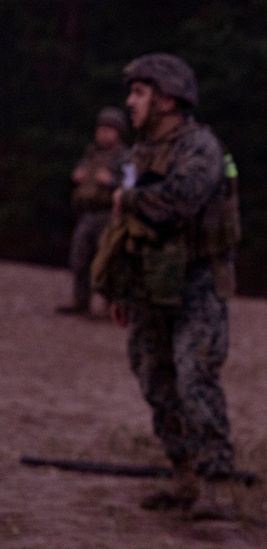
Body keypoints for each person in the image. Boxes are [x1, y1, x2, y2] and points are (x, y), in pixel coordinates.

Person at [106, 53, 242, 518]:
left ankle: (216, 487)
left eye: (139, 93)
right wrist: (119, 290)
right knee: (154, 378)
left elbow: (178, 201)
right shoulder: (137, 152)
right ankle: (184, 477)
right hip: (148, 286)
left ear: (167, 99)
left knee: (194, 378)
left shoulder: (200, 147)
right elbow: (122, 227)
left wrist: (129, 197)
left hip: (197, 284)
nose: (130, 102)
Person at [56, 106, 129, 316]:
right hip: (87, 213)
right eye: (101, 128)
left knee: (107, 260)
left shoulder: (124, 157)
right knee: (79, 257)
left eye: (109, 128)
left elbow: (132, 184)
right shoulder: (92, 154)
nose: (103, 133)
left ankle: (109, 304)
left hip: (109, 214)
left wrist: (113, 182)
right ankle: (81, 299)